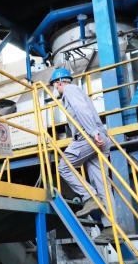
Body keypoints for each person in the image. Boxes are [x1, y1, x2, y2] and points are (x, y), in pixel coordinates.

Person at [49, 67, 114, 239]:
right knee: (102, 184)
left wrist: (93, 133)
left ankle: (89, 197)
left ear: (59, 82)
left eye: (54, 85)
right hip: (98, 136)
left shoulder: (69, 90)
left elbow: (81, 110)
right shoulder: (76, 90)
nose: (55, 88)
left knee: (64, 167)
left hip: (88, 137)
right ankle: (111, 228)